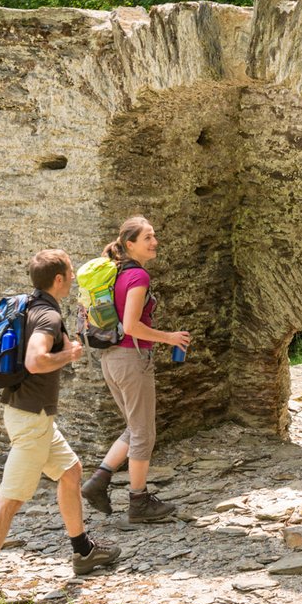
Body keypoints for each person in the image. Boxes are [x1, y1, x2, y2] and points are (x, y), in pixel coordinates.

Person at [0, 249, 121, 604]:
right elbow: (35, 360)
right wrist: (70, 354)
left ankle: (83, 551)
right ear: (60, 279)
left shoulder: (29, 305)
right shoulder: (48, 315)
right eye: (70, 271)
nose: (74, 277)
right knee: (9, 502)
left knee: (70, 470)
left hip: (32, 416)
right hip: (31, 422)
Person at [79, 216, 191, 524]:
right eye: (148, 238)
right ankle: (138, 501)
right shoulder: (138, 276)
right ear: (130, 244)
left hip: (110, 358)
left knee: (134, 426)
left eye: (154, 236)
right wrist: (169, 337)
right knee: (144, 432)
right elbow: (131, 325)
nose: (154, 242)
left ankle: (98, 482)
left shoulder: (112, 272)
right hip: (131, 358)